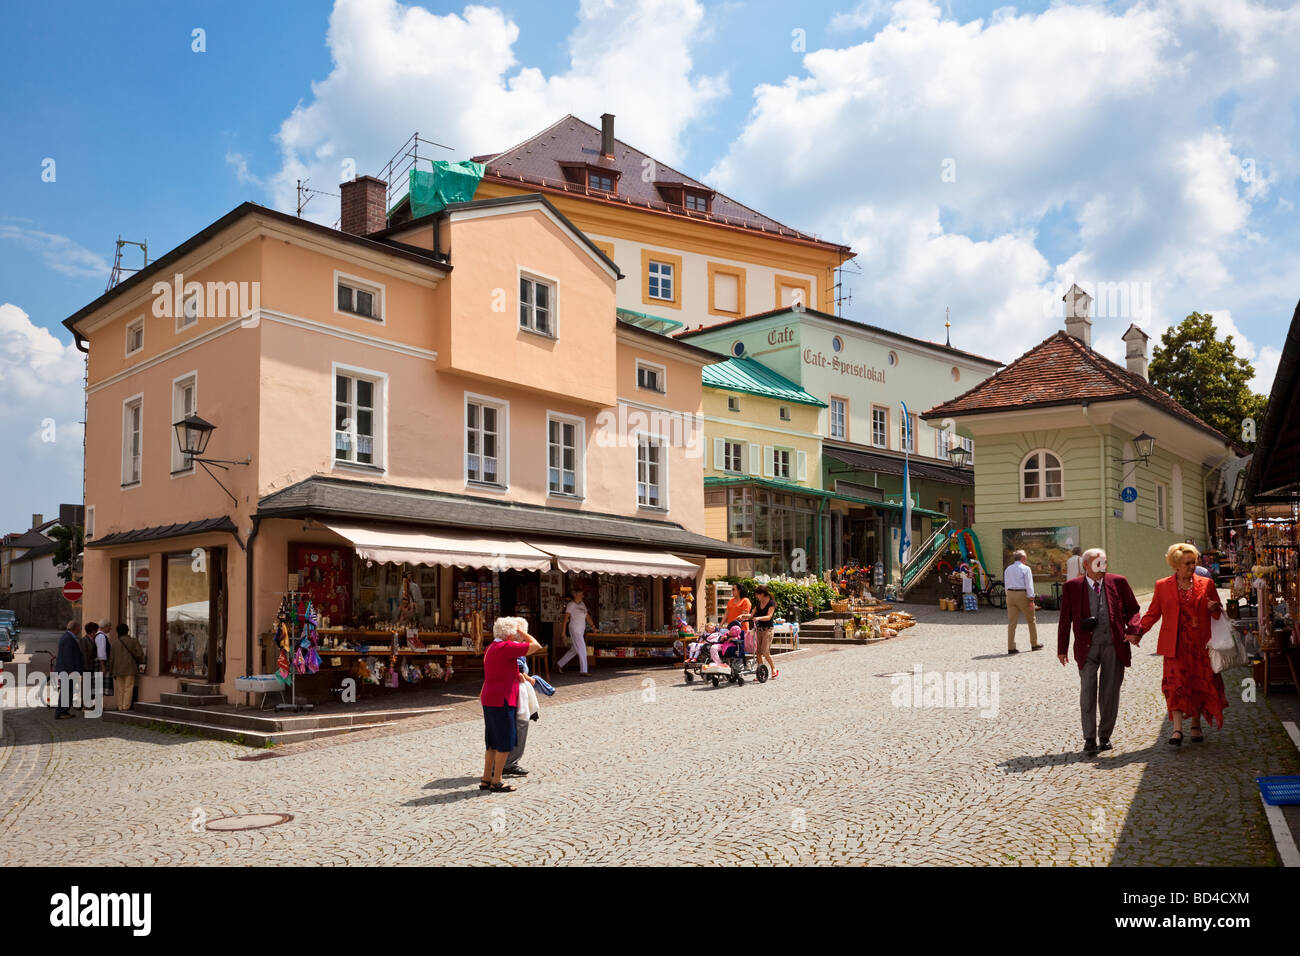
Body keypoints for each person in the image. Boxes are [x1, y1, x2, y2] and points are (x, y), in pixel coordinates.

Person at [1135, 543, 1228, 746]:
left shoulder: (1206, 583)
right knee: (1175, 686)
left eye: (1194, 562)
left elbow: (1216, 612)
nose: (1192, 567)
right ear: (1176, 565)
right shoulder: (1162, 586)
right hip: (1175, 646)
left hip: (1200, 646)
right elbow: (1153, 613)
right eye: (1187, 563)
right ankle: (1177, 730)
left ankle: (1195, 725)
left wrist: (1213, 608)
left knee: (1198, 685)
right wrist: (1138, 632)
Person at [1057, 549, 1142, 755]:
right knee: (1087, 691)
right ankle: (1089, 738)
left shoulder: (1118, 582)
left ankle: (1104, 736)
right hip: (1087, 647)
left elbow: (1134, 609)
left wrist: (1133, 630)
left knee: (1110, 691)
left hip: (1114, 644)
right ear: (1086, 565)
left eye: (1104, 563)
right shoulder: (1072, 587)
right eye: (1097, 564)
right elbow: (1065, 619)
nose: (1102, 568)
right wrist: (1062, 648)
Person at [480, 616, 542, 792]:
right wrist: (524, 632)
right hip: (503, 698)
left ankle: (486, 778)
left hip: (490, 698)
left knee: (492, 741)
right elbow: (536, 646)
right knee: (505, 741)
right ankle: (497, 780)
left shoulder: (491, 647)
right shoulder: (506, 647)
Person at [503, 657, 541, 778]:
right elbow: (518, 670)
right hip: (514, 691)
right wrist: (530, 679)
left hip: (504, 692)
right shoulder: (514, 647)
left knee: (511, 727)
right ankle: (509, 763)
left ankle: (502, 764)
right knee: (519, 725)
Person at [1003, 550, 1041, 653]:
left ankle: (1011, 647)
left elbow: (1006, 584)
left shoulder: (1008, 569)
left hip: (1010, 594)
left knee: (1012, 623)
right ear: (1022, 558)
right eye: (1026, 557)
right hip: (1021, 594)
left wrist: (1008, 594)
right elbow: (1029, 585)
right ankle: (1034, 643)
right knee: (1031, 619)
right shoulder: (1026, 569)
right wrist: (1031, 598)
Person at [556, 587, 595, 675]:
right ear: (575, 595)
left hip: (581, 629)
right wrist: (563, 632)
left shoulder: (582, 604)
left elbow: (587, 616)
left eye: (582, 594)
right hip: (574, 629)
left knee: (575, 649)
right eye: (580, 595)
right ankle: (584, 670)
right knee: (582, 648)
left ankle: (560, 664)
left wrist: (593, 626)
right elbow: (566, 619)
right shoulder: (571, 604)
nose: (582, 596)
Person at [108, 623, 146, 711]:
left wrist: (111, 670)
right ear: (127, 631)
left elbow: (111, 659)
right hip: (130, 668)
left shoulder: (114, 643)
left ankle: (120, 706)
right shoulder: (133, 641)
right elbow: (140, 654)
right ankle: (125, 707)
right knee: (128, 688)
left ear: (118, 632)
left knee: (120, 689)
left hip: (117, 669)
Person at [54, 620, 84, 719]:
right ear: (75, 628)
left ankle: (64, 711)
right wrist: (71, 671)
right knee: (66, 691)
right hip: (67, 671)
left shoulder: (67, 637)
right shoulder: (68, 638)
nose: (80, 630)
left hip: (66, 670)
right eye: (79, 628)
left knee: (68, 691)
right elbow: (68, 656)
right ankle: (61, 712)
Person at [749, 584, 778, 680]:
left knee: (765, 652)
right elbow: (751, 615)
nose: (756, 597)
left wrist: (758, 618)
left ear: (762, 594)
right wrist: (743, 616)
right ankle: (760, 672)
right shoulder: (758, 604)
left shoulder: (771, 603)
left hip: (768, 630)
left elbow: (769, 616)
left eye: (757, 595)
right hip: (759, 630)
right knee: (758, 653)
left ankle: (774, 669)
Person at [76, 623, 97, 713]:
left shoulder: (92, 639)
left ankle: (88, 704)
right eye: (96, 630)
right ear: (92, 631)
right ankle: (85, 706)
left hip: (90, 667)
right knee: (86, 687)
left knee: (90, 687)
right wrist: (87, 666)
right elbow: (84, 655)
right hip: (86, 667)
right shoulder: (84, 640)